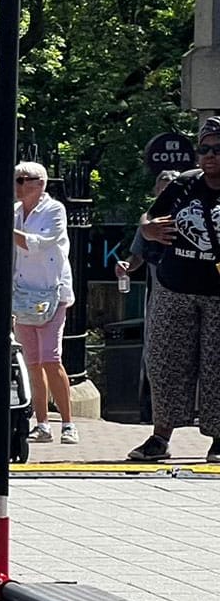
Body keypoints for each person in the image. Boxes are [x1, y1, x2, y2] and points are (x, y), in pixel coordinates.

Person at [129, 117, 220, 464]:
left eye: (217, 149)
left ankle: (218, 438)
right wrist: (149, 230)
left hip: (217, 293)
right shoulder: (184, 184)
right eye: (204, 149)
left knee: (216, 366)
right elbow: (148, 219)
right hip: (175, 286)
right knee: (165, 362)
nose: (209, 156)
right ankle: (160, 436)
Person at [12, 161, 76, 445]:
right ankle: (41, 423)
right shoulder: (13, 212)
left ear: (40, 183)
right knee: (33, 361)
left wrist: (5, 229)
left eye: (23, 179)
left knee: (51, 358)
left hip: (51, 293)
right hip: (22, 293)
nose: (17, 184)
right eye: (15, 179)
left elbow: (41, 242)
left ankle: (68, 423)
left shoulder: (54, 210)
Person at [116, 169, 180, 433]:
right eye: (162, 187)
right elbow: (137, 256)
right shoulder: (149, 220)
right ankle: (156, 419)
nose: (165, 192)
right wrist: (125, 266)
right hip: (159, 295)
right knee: (158, 357)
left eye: (171, 187)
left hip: (196, 292)